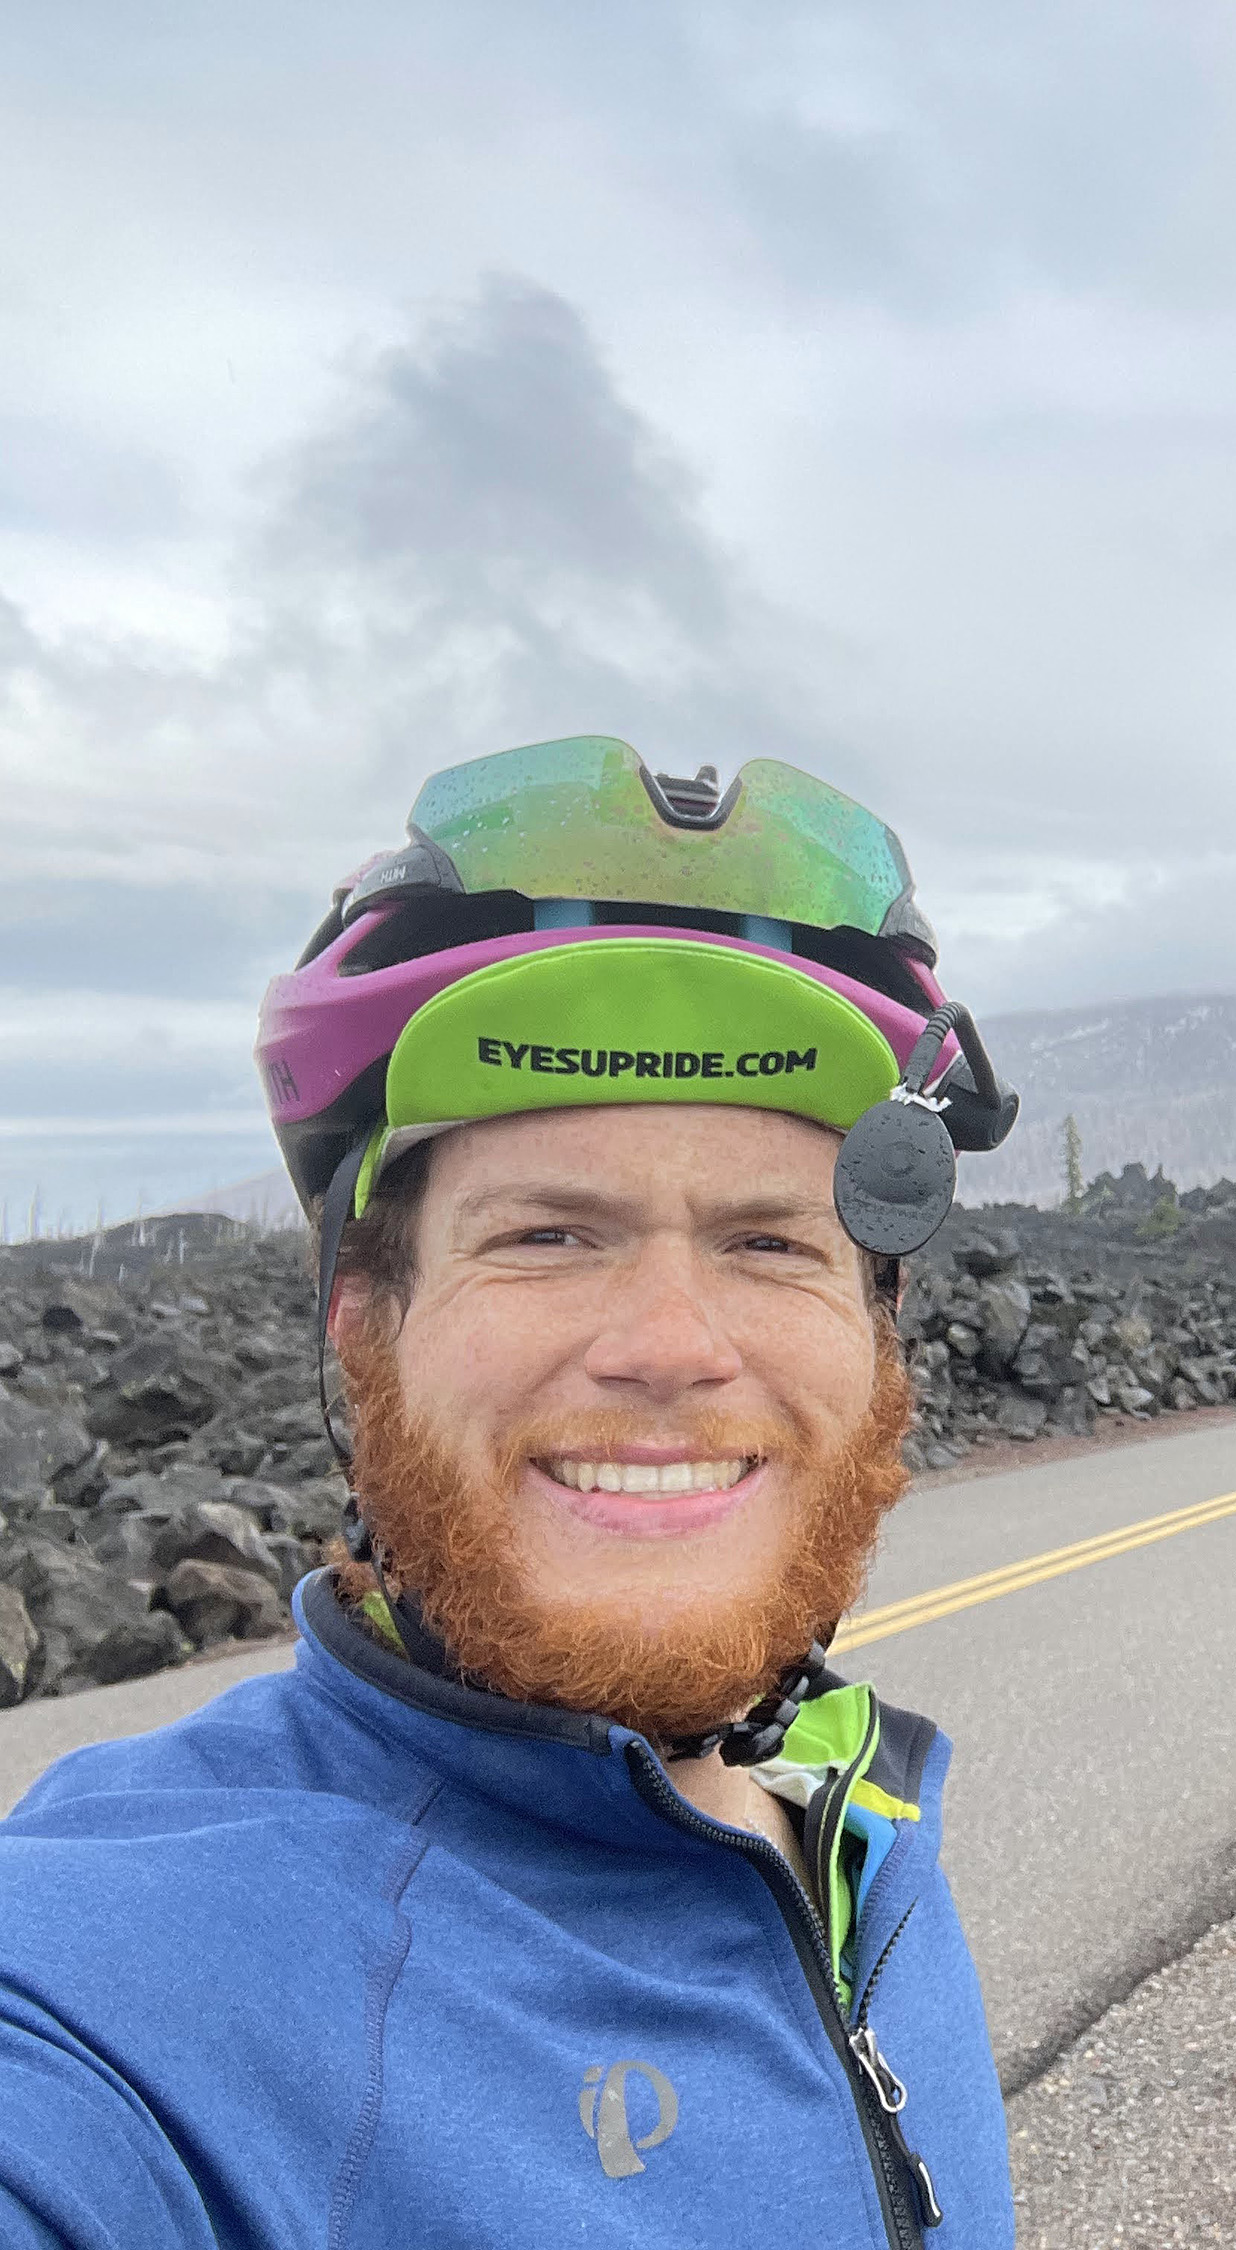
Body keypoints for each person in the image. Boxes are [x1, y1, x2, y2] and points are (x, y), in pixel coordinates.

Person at [0, 737, 1019, 2247]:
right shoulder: (116, 1994)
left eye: (769, 1242)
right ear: (363, 1318)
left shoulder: (858, 1829)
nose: (672, 1346)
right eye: (547, 1235)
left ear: (876, 1335)